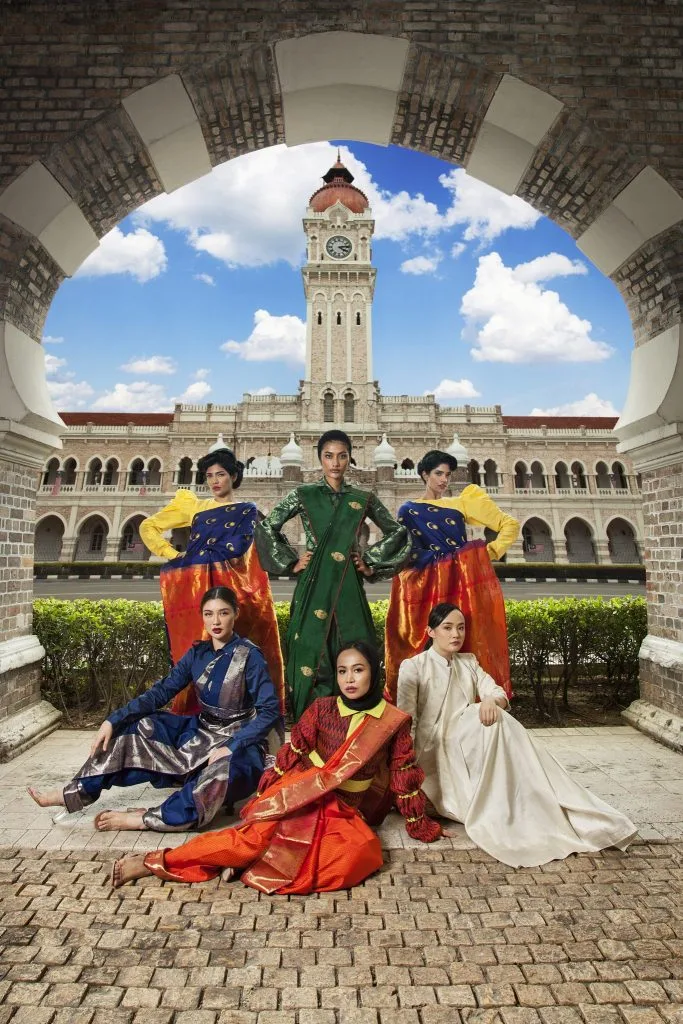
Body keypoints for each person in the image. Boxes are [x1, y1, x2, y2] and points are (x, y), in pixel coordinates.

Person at [110, 639, 446, 892]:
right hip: (300, 792)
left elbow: (404, 778)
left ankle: (248, 864)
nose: (349, 679)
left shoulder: (392, 721)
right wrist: (267, 797)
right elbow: (292, 755)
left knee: (357, 855)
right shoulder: (322, 708)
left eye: (358, 670)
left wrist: (421, 825)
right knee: (253, 839)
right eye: (342, 671)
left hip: (343, 808)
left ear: (374, 671)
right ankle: (155, 861)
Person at [397, 603, 637, 868]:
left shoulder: (468, 662)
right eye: (448, 628)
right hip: (432, 747)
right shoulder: (414, 667)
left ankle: (543, 793)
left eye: (461, 628)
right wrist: (407, 766)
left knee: (496, 721)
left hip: (466, 737)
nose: (456, 634)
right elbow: (406, 721)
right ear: (431, 631)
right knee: (492, 722)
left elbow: (497, 692)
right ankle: (539, 788)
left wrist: (491, 701)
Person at [28, 587, 284, 833]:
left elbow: (269, 711)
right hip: (201, 733)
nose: (215, 621)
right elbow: (160, 692)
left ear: (235, 614)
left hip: (242, 742)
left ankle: (146, 818)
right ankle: (76, 792)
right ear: (202, 616)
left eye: (223, 612)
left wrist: (232, 746)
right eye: (209, 613)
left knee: (222, 773)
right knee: (137, 728)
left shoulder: (250, 656)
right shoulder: (198, 654)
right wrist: (112, 721)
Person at [255, 430, 411, 720]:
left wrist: (370, 562)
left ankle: (356, 718)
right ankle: (312, 719)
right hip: (313, 581)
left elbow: (397, 532)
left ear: (350, 459)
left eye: (342, 456)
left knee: (354, 641)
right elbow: (266, 527)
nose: (335, 463)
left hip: (348, 581)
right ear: (320, 459)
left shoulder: (362, 498)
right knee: (309, 646)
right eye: (329, 456)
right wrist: (291, 562)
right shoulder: (303, 495)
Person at [139, 446, 284, 715]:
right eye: (209, 476)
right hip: (197, 594)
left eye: (221, 474)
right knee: (198, 653)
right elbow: (148, 526)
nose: (214, 481)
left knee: (236, 658)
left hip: (232, 594)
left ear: (233, 476)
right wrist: (174, 555)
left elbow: (242, 552)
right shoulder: (195, 507)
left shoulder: (246, 510)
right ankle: (197, 715)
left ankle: (241, 716)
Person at [385, 449, 519, 701]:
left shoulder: (461, 503)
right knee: (426, 646)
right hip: (426, 590)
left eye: (447, 475)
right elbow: (405, 553)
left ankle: (467, 705)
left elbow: (510, 524)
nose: (444, 480)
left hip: (461, 587)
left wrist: (486, 553)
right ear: (424, 474)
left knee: (464, 640)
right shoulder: (408, 510)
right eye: (438, 474)